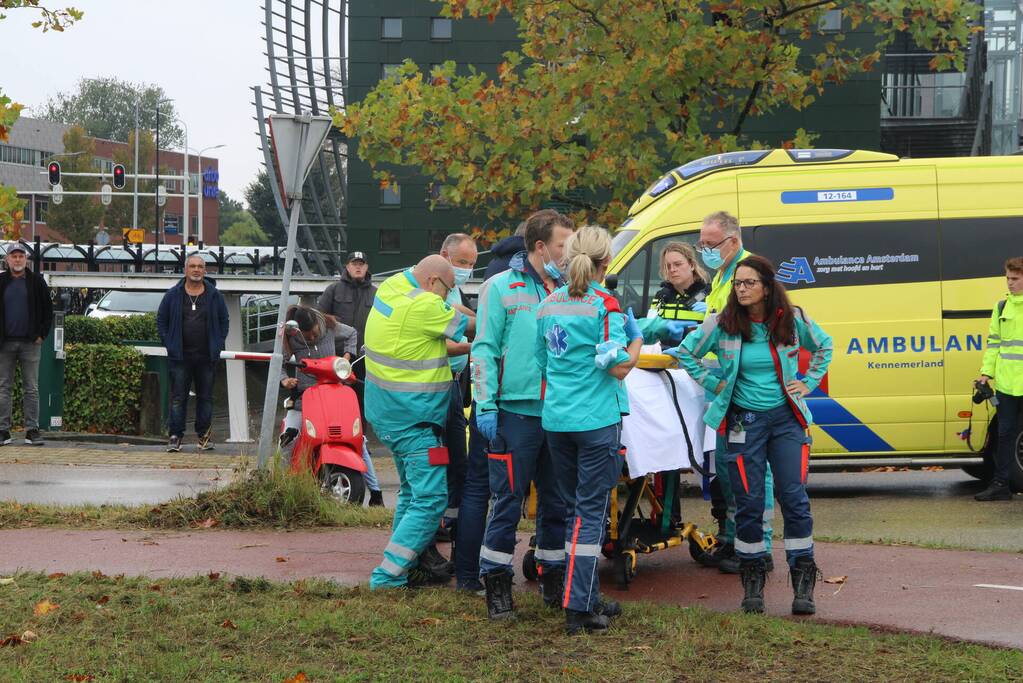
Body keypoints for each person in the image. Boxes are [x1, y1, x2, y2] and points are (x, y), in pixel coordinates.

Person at [673, 255, 832, 615]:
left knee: (794, 498)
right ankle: (753, 581)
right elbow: (686, 353)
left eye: (748, 283)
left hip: (787, 421)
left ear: (766, 287)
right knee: (748, 501)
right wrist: (715, 382)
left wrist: (807, 383)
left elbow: (825, 346)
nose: (741, 289)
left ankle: (803, 578)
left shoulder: (793, 319)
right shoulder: (723, 322)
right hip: (744, 421)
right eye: (737, 284)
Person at [535, 225, 643, 635]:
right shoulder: (604, 305)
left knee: (573, 513)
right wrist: (636, 341)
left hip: (557, 420)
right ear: (606, 262)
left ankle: (585, 594)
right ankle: (578, 607)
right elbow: (617, 366)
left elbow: (542, 364)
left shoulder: (547, 305)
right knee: (590, 514)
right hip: (595, 421)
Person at [471, 209, 574, 616]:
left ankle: (554, 580)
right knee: (508, 501)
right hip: (515, 414)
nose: (569, 253)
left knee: (558, 502)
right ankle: (497, 586)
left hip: (561, 414)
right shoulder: (500, 287)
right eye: (564, 245)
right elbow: (484, 349)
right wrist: (485, 403)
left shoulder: (572, 288)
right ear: (540, 247)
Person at [365, 255, 474, 589]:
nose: (448, 299)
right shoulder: (426, 305)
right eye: (448, 291)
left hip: (388, 414)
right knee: (431, 498)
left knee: (413, 493)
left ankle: (404, 566)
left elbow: (432, 341)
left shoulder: (393, 286)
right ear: (432, 283)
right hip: (416, 420)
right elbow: (473, 326)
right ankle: (387, 575)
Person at [697, 211, 774, 574]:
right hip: (729, 386)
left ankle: (762, 545)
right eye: (701, 243)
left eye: (709, 244)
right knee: (730, 468)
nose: (704, 250)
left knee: (753, 471)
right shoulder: (721, 275)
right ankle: (735, 540)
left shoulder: (745, 275)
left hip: (747, 390)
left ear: (732, 241)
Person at [277, 305, 383, 505]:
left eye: (314, 333)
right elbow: (278, 363)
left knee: (359, 440)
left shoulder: (330, 325)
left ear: (319, 324)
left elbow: (352, 333)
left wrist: (347, 356)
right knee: (288, 438)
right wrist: (284, 380)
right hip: (304, 398)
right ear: (297, 331)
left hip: (334, 394)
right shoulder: (289, 336)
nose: (311, 338)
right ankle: (281, 487)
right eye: (306, 336)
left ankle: (376, 493)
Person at [157, 254, 229, 453]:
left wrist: (218, 343)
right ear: (185, 270)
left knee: (205, 397)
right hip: (180, 356)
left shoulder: (215, 295)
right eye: (193, 266)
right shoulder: (172, 295)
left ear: (205, 271)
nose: (197, 270)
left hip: (206, 357)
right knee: (178, 397)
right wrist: (169, 344)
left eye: (200, 267)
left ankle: (204, 436)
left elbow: (224, 321)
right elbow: (161, 321)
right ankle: (175, 436)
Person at [974, 256, 1023, 502]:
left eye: (1015, 279)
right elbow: (994, 343)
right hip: (1006, 385)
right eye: (1008, 278)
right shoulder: (1002, 307)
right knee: (1004, 436)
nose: (1010, 283)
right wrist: (986, 374)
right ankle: (1001, 484)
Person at [0, 242, 52, 446]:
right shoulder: (1, 281)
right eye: (14, 256)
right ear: (7, 260)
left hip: (31, 343)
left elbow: (48, 310)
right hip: (4, 344)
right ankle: (3, 430)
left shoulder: (37, 282)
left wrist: (41, 335)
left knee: (31, 388)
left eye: (21, 256)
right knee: (3, 387)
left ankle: (32, 430)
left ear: (27, 260)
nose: (18, 259)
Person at [317, 251, 377, 415]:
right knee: (333, 399)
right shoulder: (333, 290)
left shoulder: (376, 293)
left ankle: (360, 438)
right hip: (336, 357)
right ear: (347, 266)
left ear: (366, 267)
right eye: (354, 264)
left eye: (361, 264)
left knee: (361, 402)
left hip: (364, 359)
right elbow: (319, 319)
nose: (358, 267)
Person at [648, 242, 710, 336]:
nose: (672, 269)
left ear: (692, 265)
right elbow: (650, 330)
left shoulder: (708, 294)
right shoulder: (661, 296)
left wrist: (712, 312)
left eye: (678, 264)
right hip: (663, 350)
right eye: (668, 266)